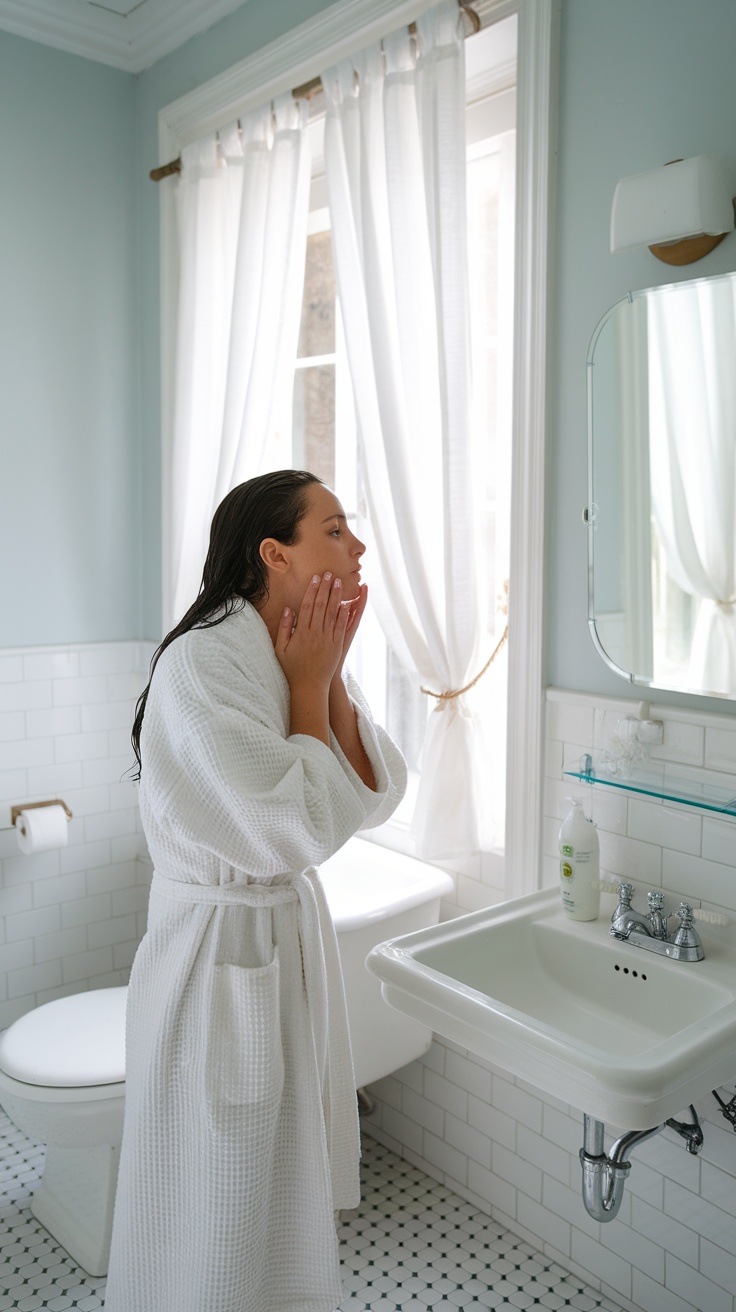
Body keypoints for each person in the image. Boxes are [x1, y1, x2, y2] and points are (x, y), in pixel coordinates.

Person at [104, 470, 407, 1312]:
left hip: (274, 943)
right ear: (276, 553)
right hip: (218, 962)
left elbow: (378, 791)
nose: (359, 547)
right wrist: (310, 688)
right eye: (336, 530)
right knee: (217, 1203)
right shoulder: (206, 663)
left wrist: (329, 675)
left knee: (275, 1200)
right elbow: (295, 826)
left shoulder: (290, 651)